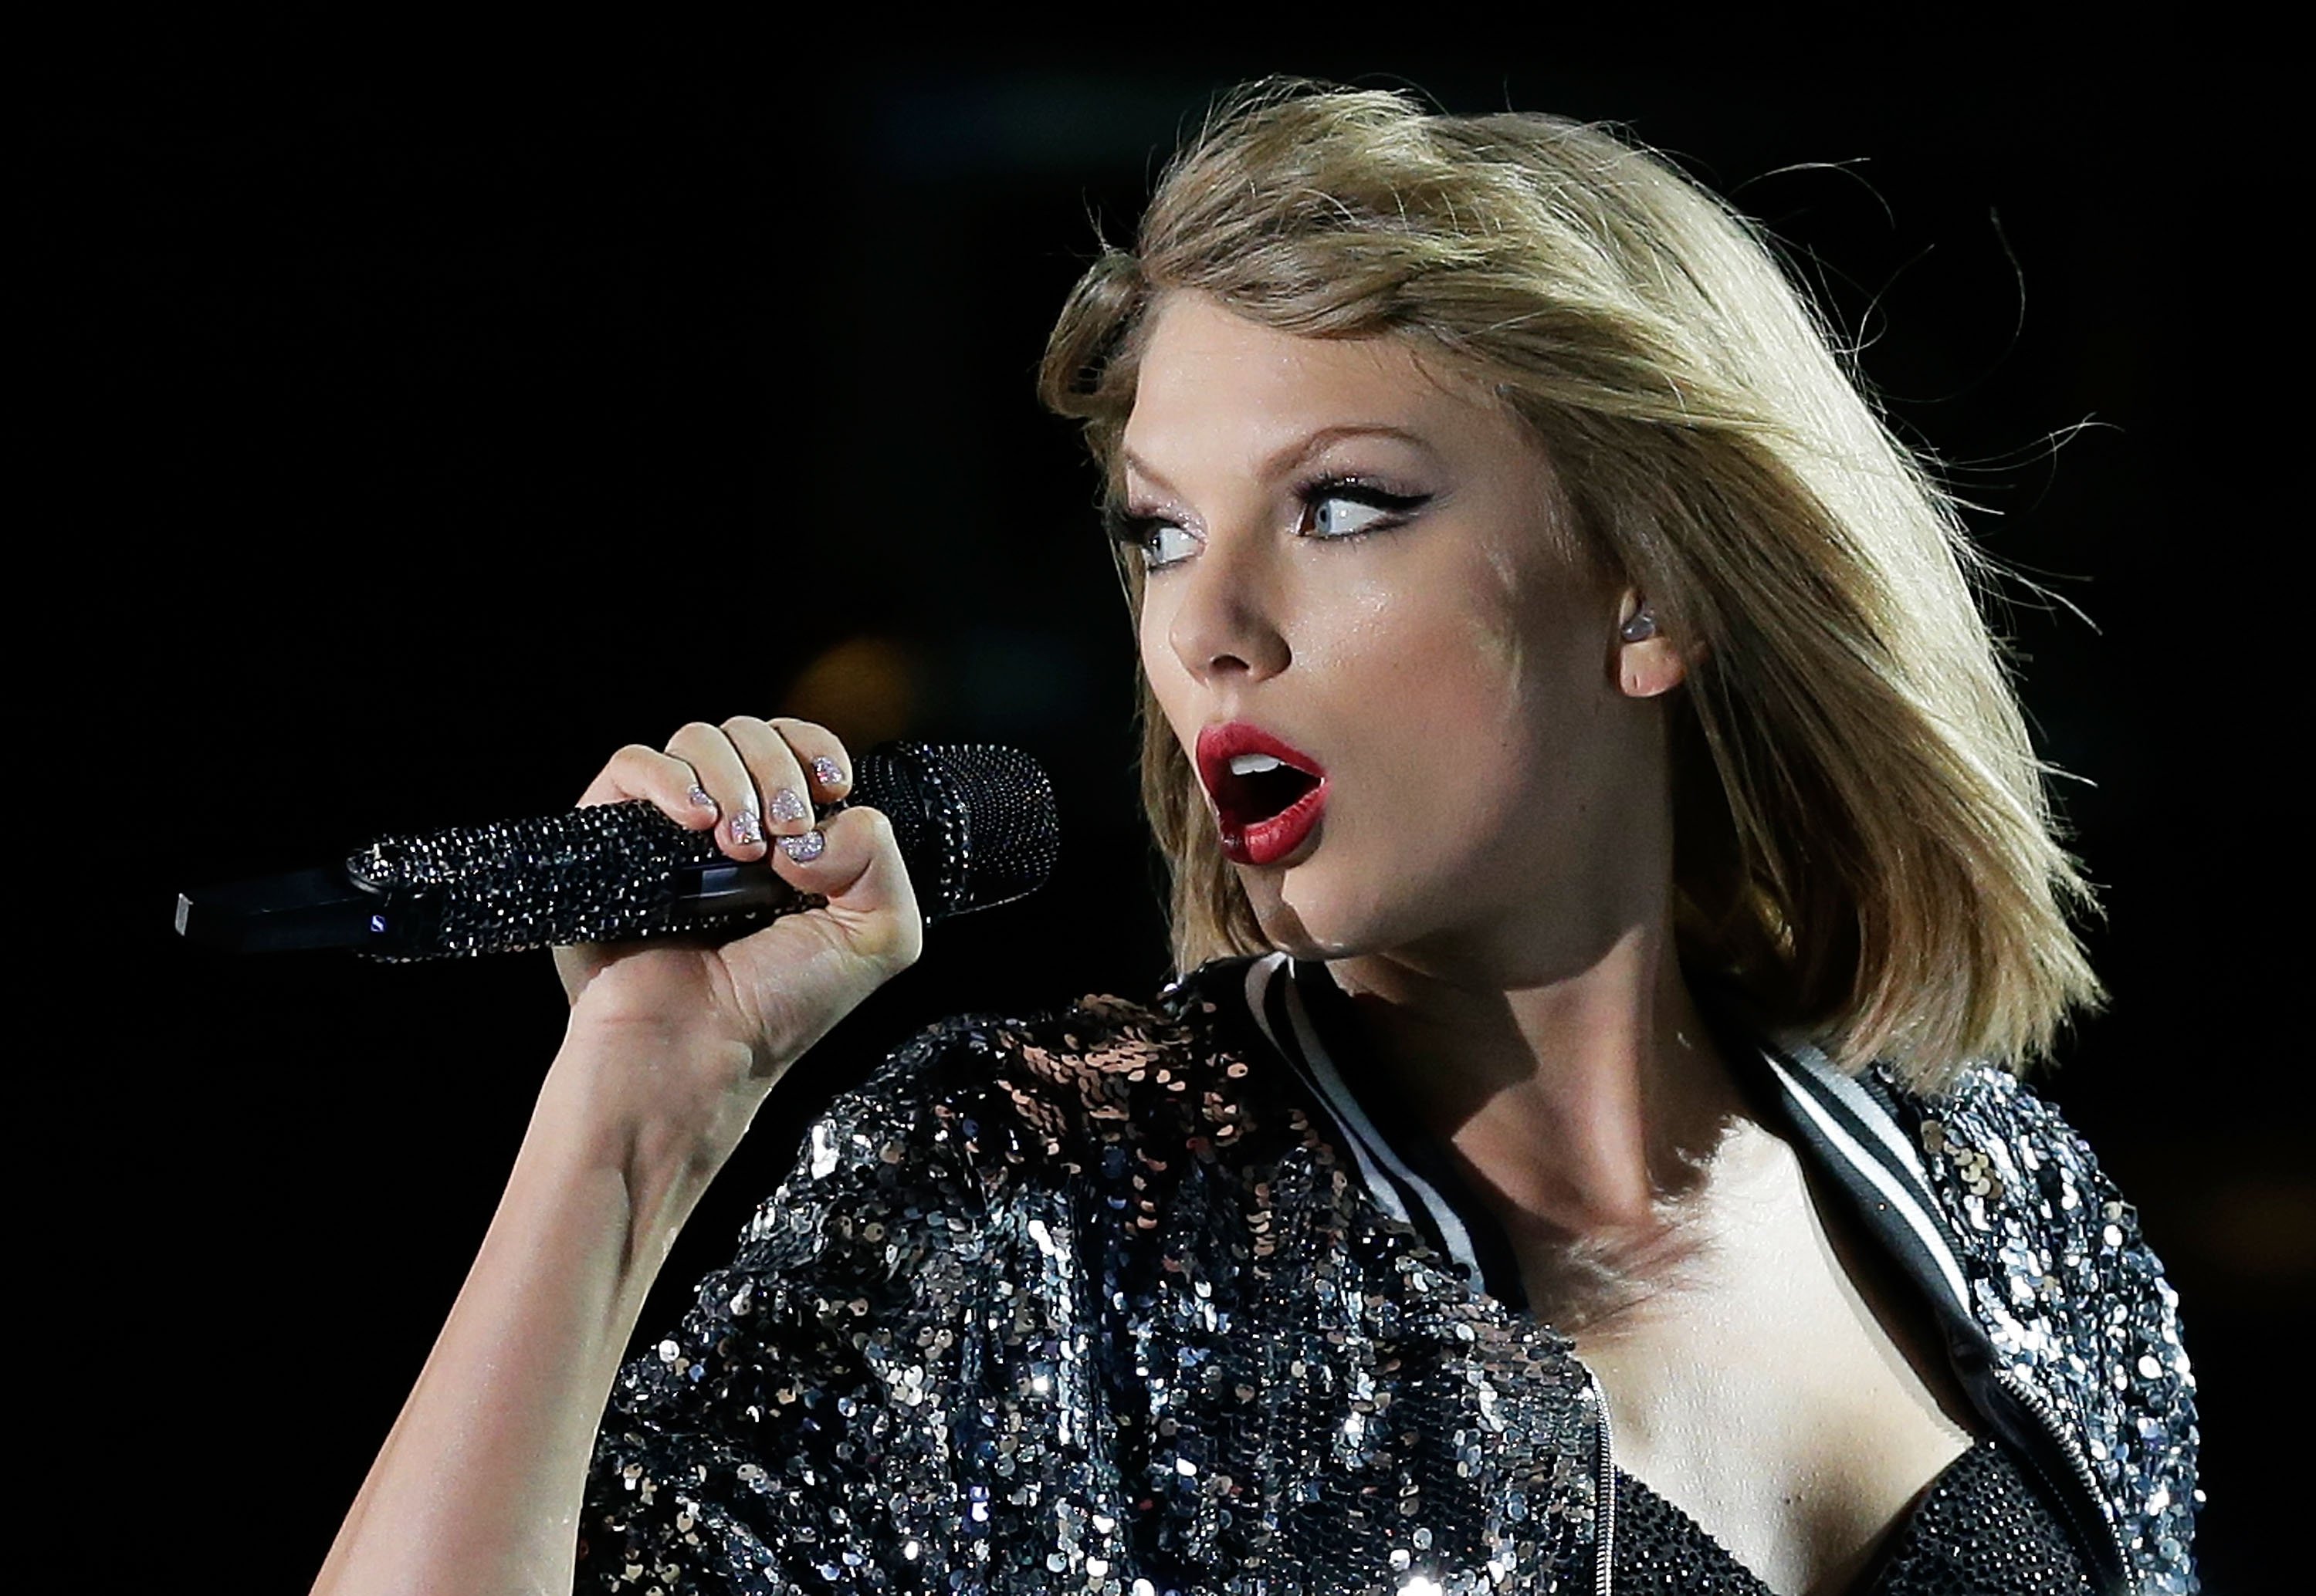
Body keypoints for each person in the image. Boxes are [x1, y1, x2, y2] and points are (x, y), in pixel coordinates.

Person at [312, 83, 2198, 1595]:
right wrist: (634, 1106)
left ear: (1649, 593)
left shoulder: (2004, 1203)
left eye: (1346, 506)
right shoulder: (1035, 1204)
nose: (1206, 624)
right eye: (1155, 530)